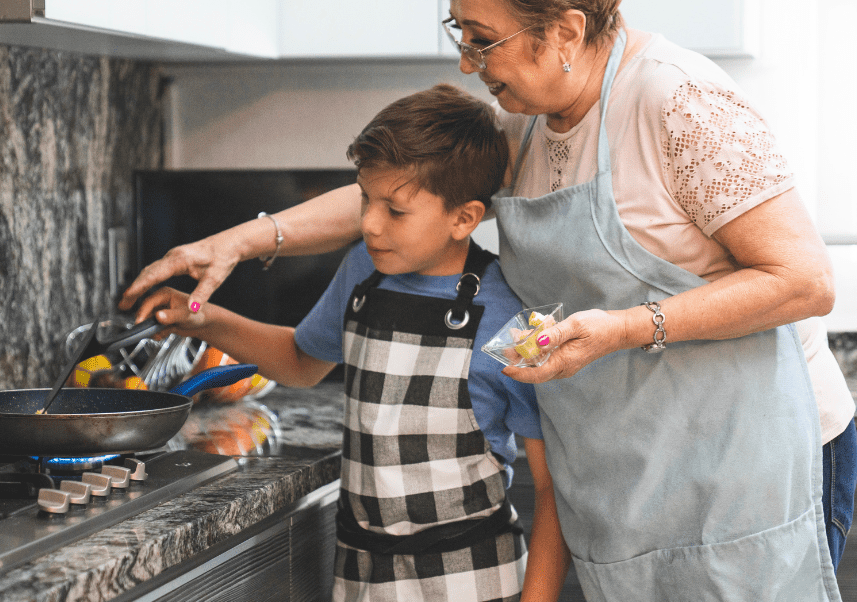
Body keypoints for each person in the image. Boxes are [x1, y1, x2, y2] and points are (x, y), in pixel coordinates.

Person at [126, 0, 855, 601]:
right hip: (632, 457)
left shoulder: (680, 105)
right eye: (461, 34)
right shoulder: (525, 117)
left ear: (563, 32)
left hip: (749, 460)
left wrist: (627, 327)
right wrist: (245, 241)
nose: (468, 64)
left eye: (483, 40)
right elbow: (406, 194)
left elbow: (803, 281)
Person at [135, 84, 569, 602]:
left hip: (471, 580)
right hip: (363, 577)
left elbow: (553, 492)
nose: (368, 223)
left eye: (395, 209)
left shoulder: (516, 323)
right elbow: (300, 362)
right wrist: (201, 318)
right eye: (365, 197)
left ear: (465, 218)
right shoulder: (364, 273)